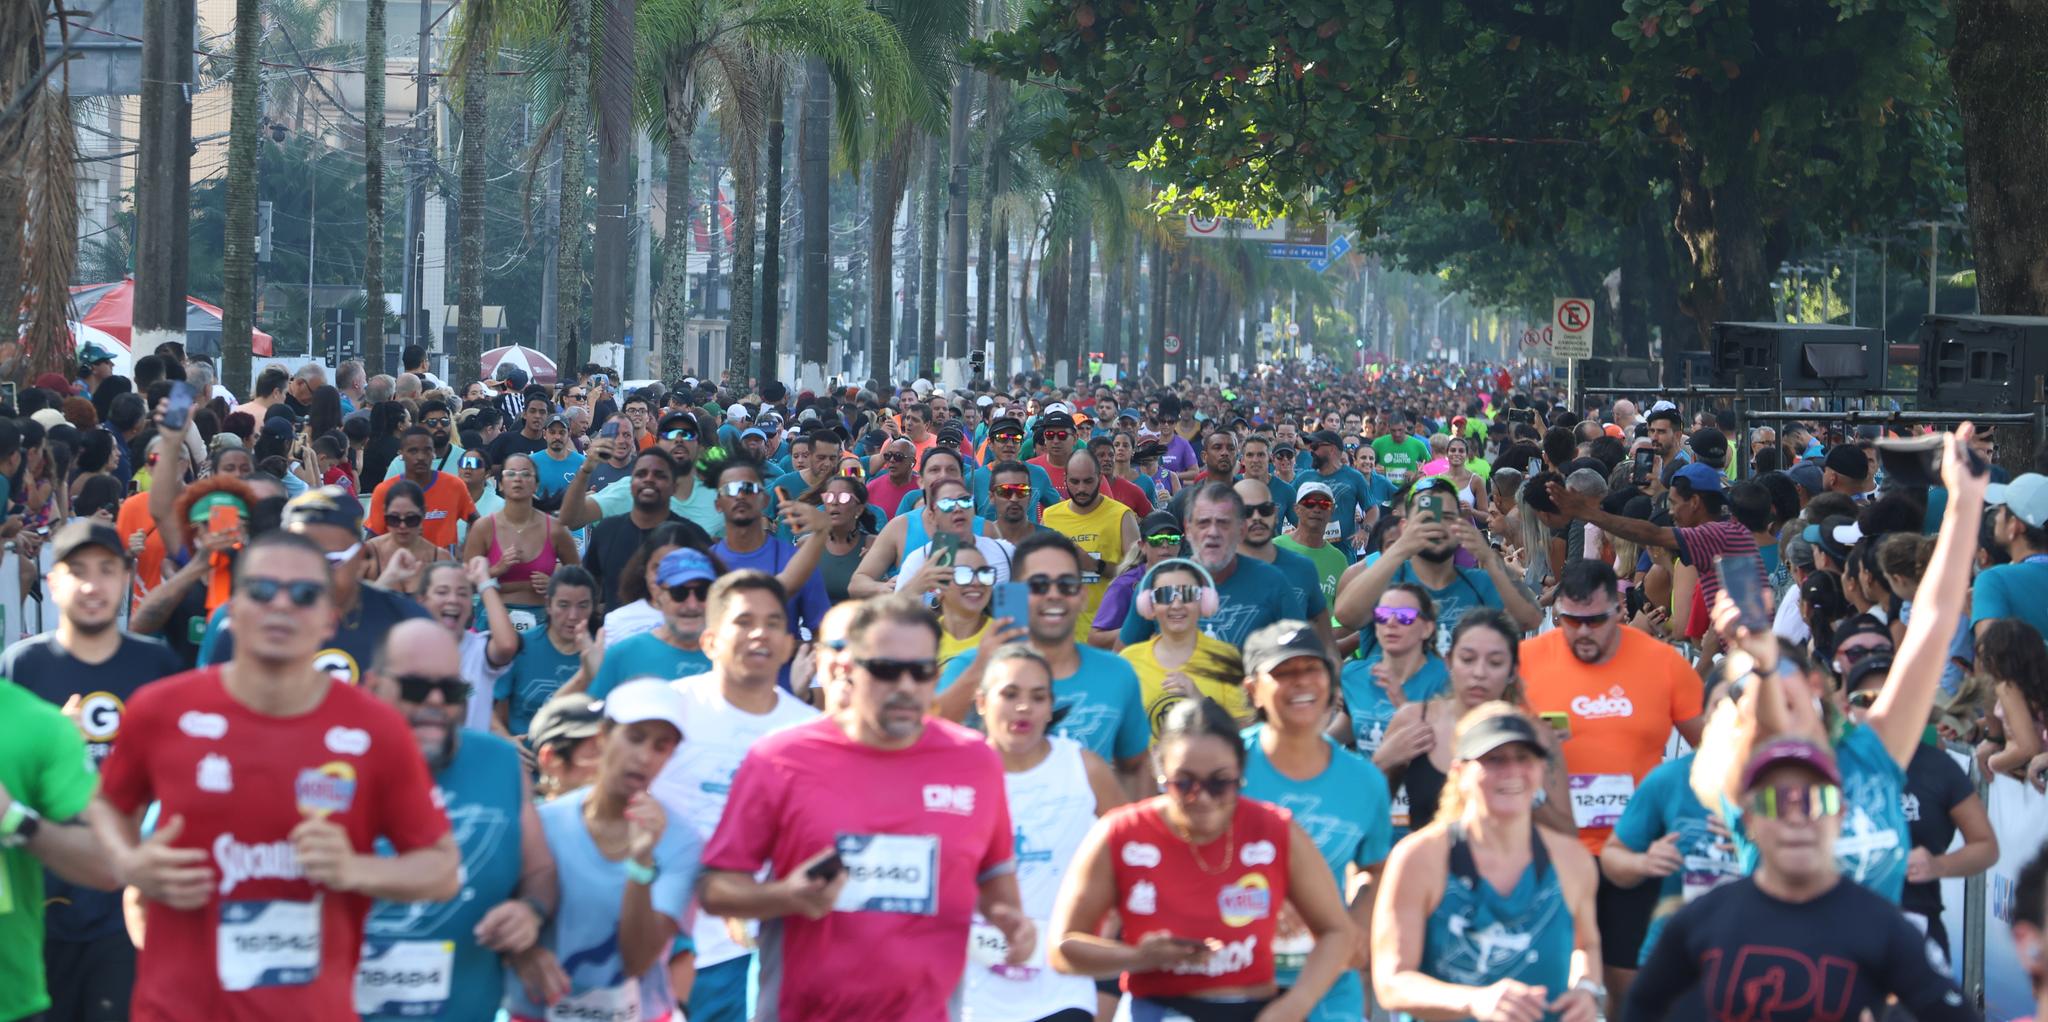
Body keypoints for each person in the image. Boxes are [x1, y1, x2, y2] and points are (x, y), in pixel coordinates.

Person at [87, 531, 461, 1020]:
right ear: (233, 608)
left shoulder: (375, 728)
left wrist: (354, 870)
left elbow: (441, 868)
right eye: (262, 590)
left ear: (330, 618)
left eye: (304, 594)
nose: (281, 604)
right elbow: (107, 804)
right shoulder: (161, 709)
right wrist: (128, 861)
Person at [697, 594, 1035, 1020]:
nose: (906, 686)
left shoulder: (975, 761)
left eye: (921, 671)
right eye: (886, 670)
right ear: (849, 668)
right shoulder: (779, 758)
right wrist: (784, 896)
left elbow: (996, 881)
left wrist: (1011, 923)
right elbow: (714, 889)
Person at [1046, 697, 1357, 1021]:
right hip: (1159, 1008)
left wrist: (1292, 1006)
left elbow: (1338, 932)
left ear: (1240, 772)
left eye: (1220, 783)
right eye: (1184, 784)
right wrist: (1138, 957)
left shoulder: (1275, 829)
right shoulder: (1121, 832)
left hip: (1256, 1008)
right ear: (1160, 771)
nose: (1202, 798)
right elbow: (1061, 948)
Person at [1624, 739, 1976, 1022]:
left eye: (1816, 800)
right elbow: (1641, 1008)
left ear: (1840, 815)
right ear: (1748, 821)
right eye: (1775, 801)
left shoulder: (1882, 925)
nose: (1796, 817)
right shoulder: (1700, 920)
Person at [2, 521, 183, 1022]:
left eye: (106, 570)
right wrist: (53, 742)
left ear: (126, 578)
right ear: (52, 581)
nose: (91, 585)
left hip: (125, 908)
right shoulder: (20, 668)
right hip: (36, 903)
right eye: (76, 571)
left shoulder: (158, 666)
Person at [1519, 558, 1704, 1009]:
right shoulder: (1526, 663)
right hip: (1551, 850)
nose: (1582, 632)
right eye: (1569, 621)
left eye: (1595, 621)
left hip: (1635, 850)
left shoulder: (1663, 663)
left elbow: (1715, 753)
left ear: (1619, 610)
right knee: (1549, 988)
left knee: (1630, 988)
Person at [355, 620, 556, 1021]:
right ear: (374, 687)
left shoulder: (498, 763)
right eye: (415, 688)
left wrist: (529, 914)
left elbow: (541, 870)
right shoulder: (328, 764)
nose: (435, 702)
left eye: (451, 690)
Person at [649, 570, 818, 1022]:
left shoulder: (810, 735)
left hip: (761, 953)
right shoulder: (664, 714)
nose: (760, 633)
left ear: (788, 645)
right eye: (743, 621)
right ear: (710, 641)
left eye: (774, 622)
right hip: (660, 947)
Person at [1371, 705, 1605, 1022]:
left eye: (1525, 757)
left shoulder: (1571, 859)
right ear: (1459, 772)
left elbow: (1585, 945)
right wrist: (1474, 1001)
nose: (1512, 770)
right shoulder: (1419, 858)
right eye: (1494, 759)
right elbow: (1391, 982)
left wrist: (1586, 989)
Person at [503, 680, 702, 1022]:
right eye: (635, 737)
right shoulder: (542, 823)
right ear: (603, 737)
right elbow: (493, 915)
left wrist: (641, 861)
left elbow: (638, 961)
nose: (644, 757)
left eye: (661, 746)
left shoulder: (683, 842)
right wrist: (524, 952)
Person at [961, 645, 1126, 1022]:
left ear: (1051, 706)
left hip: (1064, 987)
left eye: (1038, 697)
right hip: (973, 989)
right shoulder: (959, 774)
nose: (1024, 708)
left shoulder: (1084, 768)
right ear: (982, 702)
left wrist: (1110, 927)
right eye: (1010, 694)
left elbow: (1134, 851)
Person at [1239, 623, 1392, 1022]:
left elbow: (1375, 869)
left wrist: (1355, 928)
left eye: (1313, 669)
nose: (1302, 682)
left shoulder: (1365, 780)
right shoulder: (1222, 769)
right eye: (1284, 672)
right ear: (1253, 689)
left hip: (1327, 985)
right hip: (1233, 979)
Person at [940, 532, 1152, 786]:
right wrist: (980, 670)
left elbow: (1137, 768)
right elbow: (925, 738)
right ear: (1015, 594)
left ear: (1082, 596)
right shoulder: (971, 666)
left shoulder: (1117, 673)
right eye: (1039, 585)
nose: (1053, 594)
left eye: (1066, 585)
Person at [1841, 654, 1998, 969]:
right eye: (1865, 699)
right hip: (1841, 930)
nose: (1878, 708)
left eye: (1888, 697)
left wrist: (1938, 865)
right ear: (1848, 709)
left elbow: (1986, 847)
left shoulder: (1938, 768)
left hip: (1916, 932)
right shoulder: (1827, 766)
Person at [1120, 483, 1302, 649]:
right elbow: (1122, 664)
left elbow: (1302, 659)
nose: (1213, 532)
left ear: (1241, 530)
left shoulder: (1273, 582)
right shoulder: (1155, 583)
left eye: (1223, 522)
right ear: (1188, 530)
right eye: (1203, 523)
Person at [1120, 557, 1248, 735]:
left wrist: (1201, 701)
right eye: (1164, 595)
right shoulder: (1128, 661)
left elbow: (1245, 731)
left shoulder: (1227, 658)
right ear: (1149, 605)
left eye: (1187, 594)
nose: (1176, 605)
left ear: (1204, 601)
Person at [577, 448, 715, 612]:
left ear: (674, 487)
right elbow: (588, 588)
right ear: (630, 483)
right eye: (641, 474)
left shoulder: (692, 535)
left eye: (659, 475)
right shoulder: (606, 530)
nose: (649, 479)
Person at [462, 452, 582, 625]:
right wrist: (496, 570)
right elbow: (465, 582)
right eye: (510, 473)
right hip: (494, 617)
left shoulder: (555, 529)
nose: (518, 479)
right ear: (501, 484)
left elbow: (578, 576)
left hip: (542, 618)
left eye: (525, 474)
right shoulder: (484, 527)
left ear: (536, 485)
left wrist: (556, 584)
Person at [590, 548, 717, 699]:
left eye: (702, 592)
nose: (692, 605)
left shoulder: (731, 655)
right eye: (679, 593)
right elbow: (593, 715)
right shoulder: (624, 654)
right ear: (659, 595)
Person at [1342, 583, 1450, 759]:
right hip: (1366, 784)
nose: (1391, 623)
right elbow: (1345, 726)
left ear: (1427, 629)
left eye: (1404, 616)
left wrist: (1402, 704)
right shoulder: (1353, 674)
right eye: (1383, 615)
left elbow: (1446, 749)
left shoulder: (1445, 679)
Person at [495, 566, 602, 737]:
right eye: (563, 605)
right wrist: (507, 742)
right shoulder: (521, 646)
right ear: (548, 605)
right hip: (527, 756)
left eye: (583, 605)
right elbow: (491, 710)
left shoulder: (601, 652)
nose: (573, 615)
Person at [368, 427, 479, 552]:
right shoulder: (385, 490)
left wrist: (468, 553)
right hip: (400, 565)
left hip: (443, 566)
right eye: (413, 451)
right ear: (401, 454)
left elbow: (476, 521)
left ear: (433, 454)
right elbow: (372, 537)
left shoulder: (454, 485)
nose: (421, 457)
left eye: (427, 451)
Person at [1975, 472, 2048, 643]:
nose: (1996, 518)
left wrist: (1977, 614)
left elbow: (1990, 656)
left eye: (2000, 511)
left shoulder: (1994, 580)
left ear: (2014, 526)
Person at [360, 479, 446, 589]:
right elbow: (350, 602)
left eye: (411, 519)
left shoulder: (439, 558)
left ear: (424, 514)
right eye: (394, 519)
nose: (402, 526)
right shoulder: (368, 553)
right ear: (384, 513)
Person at [1275, 481, 1349, 604]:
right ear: (1297, 509)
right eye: (1309, 504)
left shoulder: (1339, 560)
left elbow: (1341, 611)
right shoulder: (1275, 548)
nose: (1316, 509)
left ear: (1332, 511)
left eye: (1324, 505)